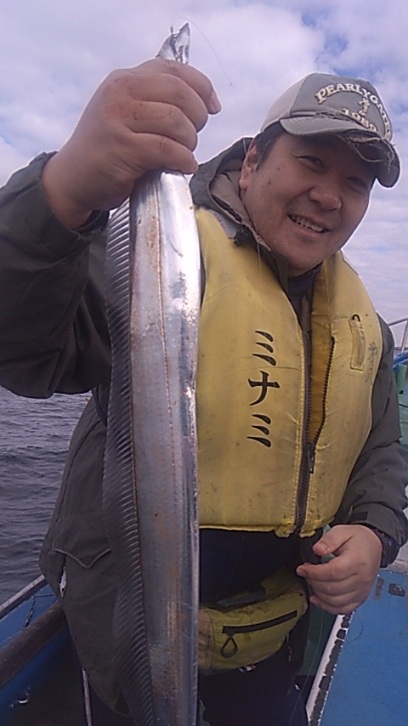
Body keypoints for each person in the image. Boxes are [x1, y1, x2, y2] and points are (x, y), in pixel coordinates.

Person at [0, 56, 407, 726]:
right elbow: (23, 352)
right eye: (311, 162)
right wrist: (63, 189)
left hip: (270, 635)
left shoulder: (363, 324)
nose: (330, 196)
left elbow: (381, 452)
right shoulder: (160, 253)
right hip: (132, 636)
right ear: (252, 162)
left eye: (355, 183)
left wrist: (373, 530)